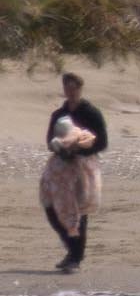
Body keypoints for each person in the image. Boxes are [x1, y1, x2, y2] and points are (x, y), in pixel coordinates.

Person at [39, 71, 107, 273]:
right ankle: (72, 249)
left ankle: (75, 257)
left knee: (79, 212)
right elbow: (50, 140)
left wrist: (79, 148)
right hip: (60, 167)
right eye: (67, 88)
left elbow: (102, 142)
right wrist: (59, 147)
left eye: (73, 88)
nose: (70, 92)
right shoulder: (58, 115)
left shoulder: (91, 113)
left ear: (80, 89)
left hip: (83, 168)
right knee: (51, 208)